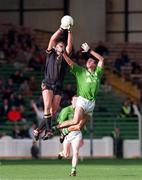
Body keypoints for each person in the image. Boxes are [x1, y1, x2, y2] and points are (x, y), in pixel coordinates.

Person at [33, 21, 73, 141]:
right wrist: (61, 28)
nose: (61, 47)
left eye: (62, 46)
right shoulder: (50, 54)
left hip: (58, 86)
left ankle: (38, 130)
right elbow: (52, 38)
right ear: (56, 47)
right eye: (60, 45)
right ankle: (49, 130)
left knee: (53, 111)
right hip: (48, 83)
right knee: (47, 107)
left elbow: (69, 46)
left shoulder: (65, 58)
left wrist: (70, 31)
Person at [56, 43, 104, 136]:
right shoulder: (81, 71)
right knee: (75, 121)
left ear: (95, 65)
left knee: (79, 126)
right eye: (88, 60)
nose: (89, 61)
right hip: (82, 100)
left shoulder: (98, 73)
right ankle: (54, 128)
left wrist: (90, 51)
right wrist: (63, 54)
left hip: (91, 103)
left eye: (92, 61)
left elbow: (101, 59)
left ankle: (66, 131)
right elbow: (70, 62)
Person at [57, 96, 83, 176]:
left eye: (77, 100)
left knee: (75, 152)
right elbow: (60, 124)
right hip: (67, 134)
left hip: (77, 134)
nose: (76, 102)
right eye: (74, 100)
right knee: (66, 155)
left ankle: (73, 171)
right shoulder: (66, 110)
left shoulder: (81, 110)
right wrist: (63, 133)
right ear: (71, 101)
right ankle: (61, 154)